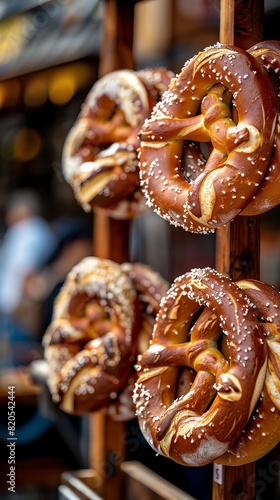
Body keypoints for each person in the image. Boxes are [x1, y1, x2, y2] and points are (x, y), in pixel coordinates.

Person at [0, 189, 56, 365]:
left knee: (15, 376)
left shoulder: (29, 230)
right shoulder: (31, 230)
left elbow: (26, 271)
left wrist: (19, 308)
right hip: (15, 314)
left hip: (17, 314)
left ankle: (13, 394)